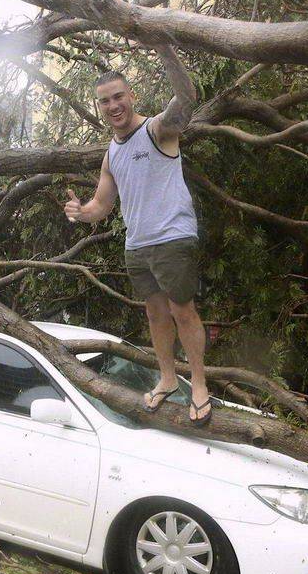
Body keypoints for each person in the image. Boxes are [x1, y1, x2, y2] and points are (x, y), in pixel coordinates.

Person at [63, 47, 215, 427]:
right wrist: (82, 213)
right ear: (99, 107)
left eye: (118, 96)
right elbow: (101, 205)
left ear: (132, 96)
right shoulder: (111, 154)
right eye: (105, 101)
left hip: (172, 236)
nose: (113, 105)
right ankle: (167, 377)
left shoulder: (157, 130)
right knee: (155, 313)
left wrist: (165, 48)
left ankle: (198, 384)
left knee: (183, 310)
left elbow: (186, 100)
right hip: (138, 244)